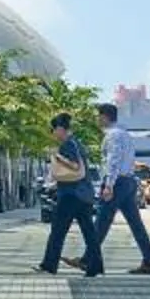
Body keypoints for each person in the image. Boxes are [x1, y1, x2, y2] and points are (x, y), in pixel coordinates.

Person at [92, 100, 150, 273]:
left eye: (98, 116)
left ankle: (88, 259)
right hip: (129, 181)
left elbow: (113, 160)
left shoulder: (113, 135)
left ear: (105, 117)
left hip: (117, 182)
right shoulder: (125, 134)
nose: (97, 120)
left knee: (101, 221)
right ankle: (149, 262)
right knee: (135, 224)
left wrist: (109, 185)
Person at [39, 112, 101, 275]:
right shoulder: (78, 144)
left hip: (70, 195)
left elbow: (73, 167)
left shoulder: (67, 145)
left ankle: (49, 265)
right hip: (85, 194)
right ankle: (95, 266)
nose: (53, 134)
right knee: (89, 233)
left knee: (58, 231)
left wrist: (57, 158)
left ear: (60, 129)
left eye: (53, 130)